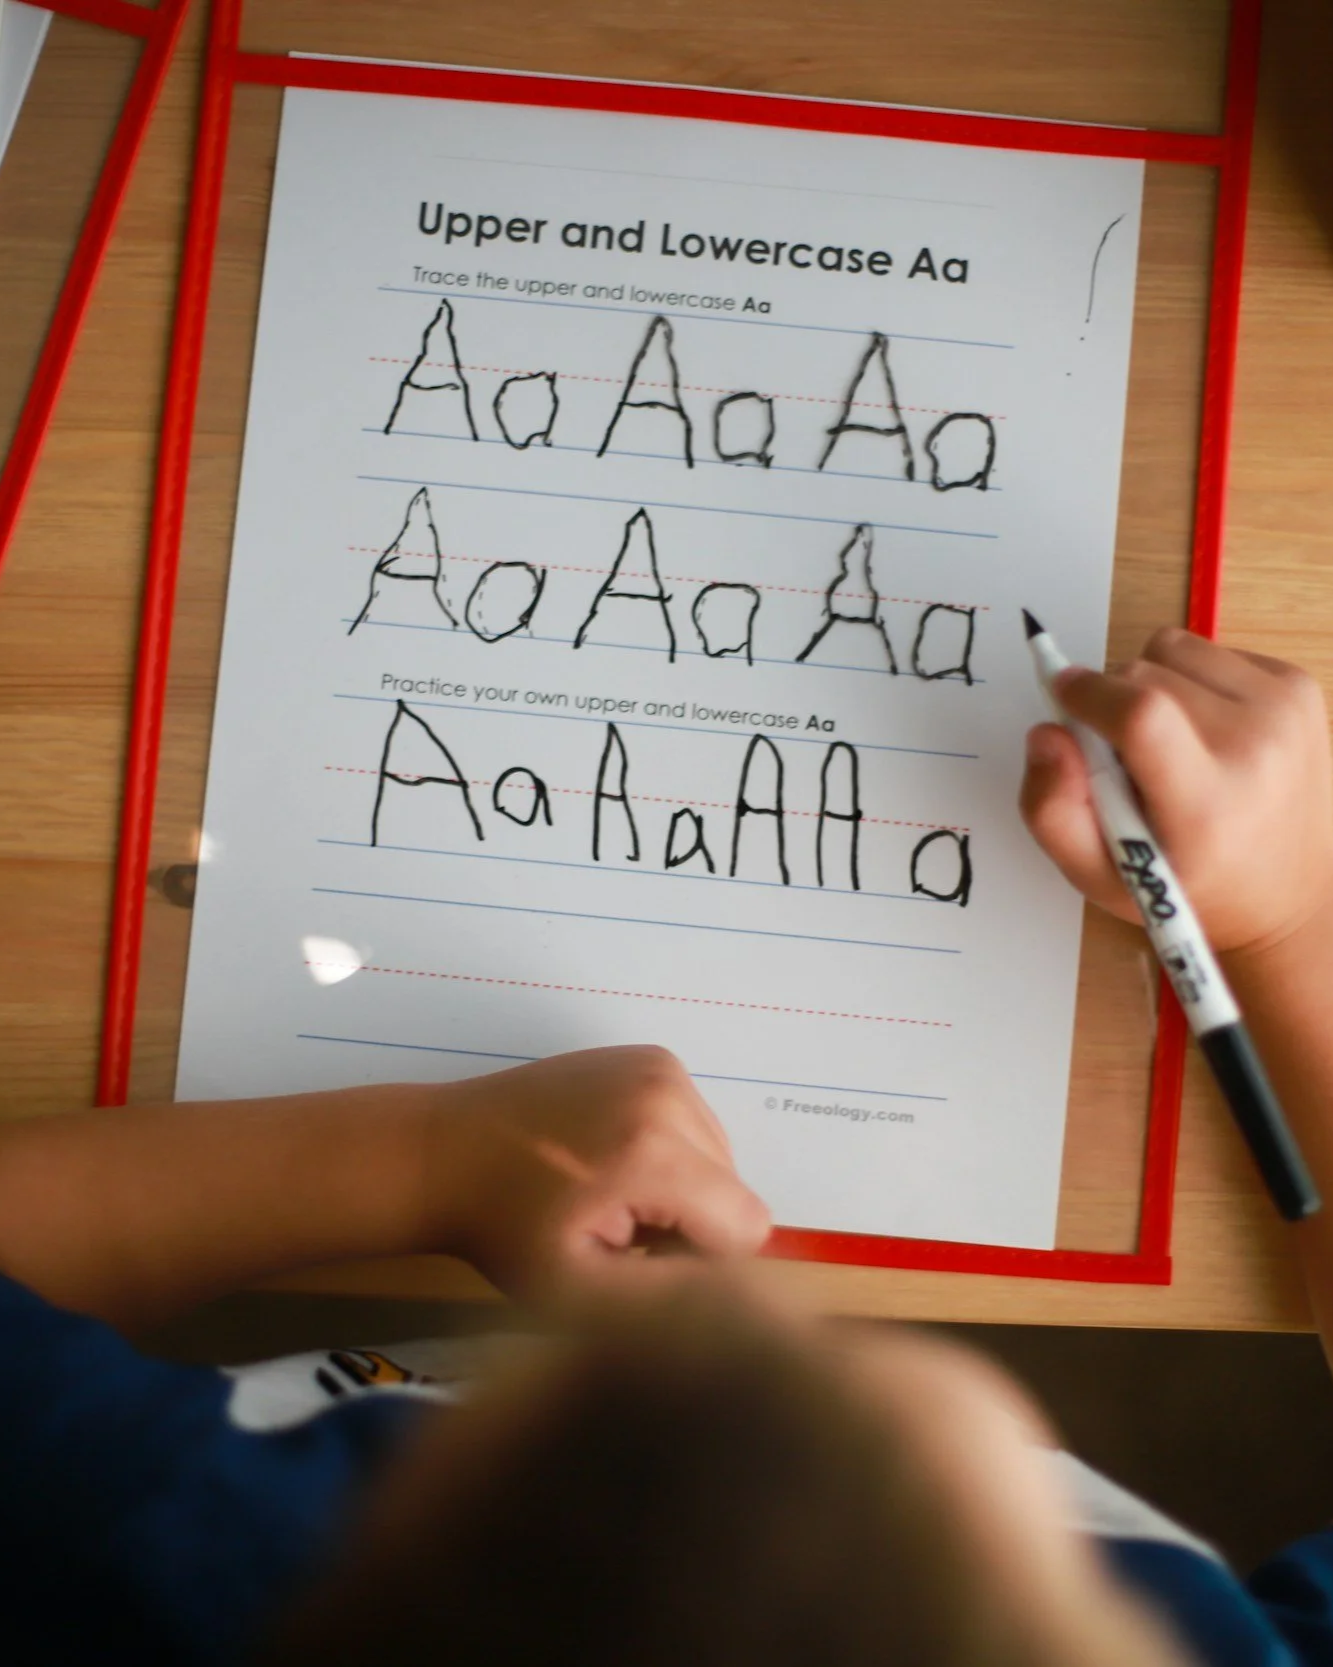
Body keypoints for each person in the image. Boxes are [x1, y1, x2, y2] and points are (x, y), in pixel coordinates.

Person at [2, 626, 1332, 1665]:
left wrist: (428, 1162)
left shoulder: (158, 1550)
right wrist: (1293, 923)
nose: (754, 1313)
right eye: (880, 1407)